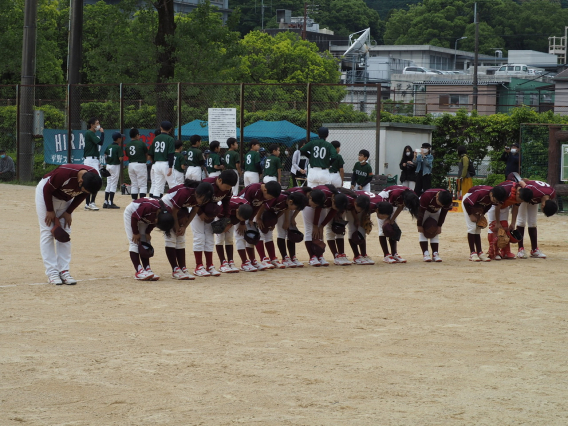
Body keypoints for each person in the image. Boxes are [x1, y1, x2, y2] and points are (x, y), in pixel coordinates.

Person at [36, 164, 103, 284]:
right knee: (47, 231)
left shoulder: (93, 177)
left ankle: (64, 271)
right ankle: (52, 272)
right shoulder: (64, 174)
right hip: (46, 194)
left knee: (65, 232)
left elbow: (83, 194)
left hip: (66, 199)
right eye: (84, 188)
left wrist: (68, 211)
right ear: (80, 180)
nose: (84, 192)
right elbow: (47, 189)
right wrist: (49, 210)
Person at [161, 180, 214, 279]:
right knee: (171, 238)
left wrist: (184, 227)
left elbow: (194, 211)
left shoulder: (200, 198)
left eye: (206, 201)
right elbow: (174, 211)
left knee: (181, 239)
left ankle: (182, 267)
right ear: (197, 194)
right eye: (203, 199)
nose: (204, 202)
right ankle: (175, 269)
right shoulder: (184, 192)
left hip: (180, 208)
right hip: (167, 206)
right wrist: (177, 227)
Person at [191, 170, 238, 277]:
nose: (227, 189)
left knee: (209, 238)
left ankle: (209, 265)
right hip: (196, 211)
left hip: (210, 213)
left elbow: (226, 204)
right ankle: (198, 266)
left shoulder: (227, 190)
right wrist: (200, 212)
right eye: (226, 187)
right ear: (220, 180)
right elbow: (195, 198)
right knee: (199, 237)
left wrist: (226, 220)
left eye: (230, 187)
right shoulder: (208, 183)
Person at [123, 197, 175, 281]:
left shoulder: (166, 212)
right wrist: (135, 233)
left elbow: (154, 223)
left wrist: (147, 232)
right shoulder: (148, 207)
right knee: (135, 242)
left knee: (145, 241)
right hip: (132, 214)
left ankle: (147, 269)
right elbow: (134, 217)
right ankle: (139, 271)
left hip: (145, 217)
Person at [236, 181, 282, 270]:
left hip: (248, 214)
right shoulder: (254, 189)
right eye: (271, 196)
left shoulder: (265, 194)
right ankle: (244, 262)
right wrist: (242, 222)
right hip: (240, 213)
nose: (270, 198)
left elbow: (257, 206)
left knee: (251, 236)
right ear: (265, 190)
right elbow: (244, 206)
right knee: (241, 236)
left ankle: (252, 261)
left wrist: (251, 219)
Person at [486, 179, 533, 260]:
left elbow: (515, 207)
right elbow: (497, 207)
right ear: (518, 194)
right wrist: (497, 222)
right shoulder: (507, 191)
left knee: (505, 227)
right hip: (494, 205)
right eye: (521, 200)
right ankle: (494, 251)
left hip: (504, 206)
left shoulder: (521, 193)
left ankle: (506, 251)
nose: (520, 202)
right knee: (494, 228)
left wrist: (513, 223)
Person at [376, 185, 420, 263]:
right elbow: (388, 207)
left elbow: (400, 206)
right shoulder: (396, 194)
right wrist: (388, 220)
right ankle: (386, 255)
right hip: (383, 202)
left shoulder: (411, 195)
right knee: (384, 228)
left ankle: (394, 254)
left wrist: (392, 220)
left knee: (392, 227)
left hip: (392, 203)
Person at [462, 185, 507, 262]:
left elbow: (488, 205)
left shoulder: (493, 197)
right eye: (495, 200)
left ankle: (479, 252)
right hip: (469, 202)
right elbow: (466, 202)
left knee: (478, 228)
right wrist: (471, 215)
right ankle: (472, 253)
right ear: (492, 194)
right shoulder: (481, 193)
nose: (496, 202)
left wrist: (482, 214)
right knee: (472, 227)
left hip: (478, 205)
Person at [516, 179, 558, 259]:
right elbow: (522, 183)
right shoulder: (535, 192)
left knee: (533, 222)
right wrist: (525, 181)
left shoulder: (552, 194)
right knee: (521, 221)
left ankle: (534, 250)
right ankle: (520, 249)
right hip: (524, 193)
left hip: (535, 198)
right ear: (542, 205)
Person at [215, 197, 253, 273]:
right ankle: (223, 263)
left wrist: (237, 223)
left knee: (229, 239)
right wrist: (224, 226)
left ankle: (230, 261)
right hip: (220, 215)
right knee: (220, 239)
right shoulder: (226, 207)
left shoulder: (247, 206)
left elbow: (242, 217)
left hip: (231, 216)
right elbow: (219, 215)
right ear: (237, 211)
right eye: (240, 219)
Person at [416, 188, 453, 262]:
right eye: (440, 203)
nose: (440, 205)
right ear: (437, 196)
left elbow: (443, 213)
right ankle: (425, 253)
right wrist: (419, 224)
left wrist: (439, 225)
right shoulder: (426, 196)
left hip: (436, 212)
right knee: (424, 230)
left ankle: (435, 253)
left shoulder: (447, 199)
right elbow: (421, 212)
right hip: (425, 210)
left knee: (434, 229)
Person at [148, 121, 176, 198]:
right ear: (170, 129)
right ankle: (176, 204)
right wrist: (170, 167)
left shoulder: (156, 138)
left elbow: (151, 153)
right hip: (166, 164)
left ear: (161, 128)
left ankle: (155, 206)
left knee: (158, 186)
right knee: (173, 185)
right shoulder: (170, 139)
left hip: (157, 164)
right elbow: (171, 154)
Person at [83, 117, 104, 210]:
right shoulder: (89, 132)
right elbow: (101, 142)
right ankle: (90, 203)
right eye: (96, 123)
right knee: (95, 181)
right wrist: (102, 132)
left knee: (92, 182)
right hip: (90, 160)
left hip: (93, 160)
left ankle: (89, 203)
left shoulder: (92, 134)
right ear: (92, 125)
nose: (98, 125)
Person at [103, 132, 124, 209]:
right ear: (118, 139)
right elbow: (120, 158)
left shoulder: (109, 146)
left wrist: (108, 162)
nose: (121, 139)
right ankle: (111, 202)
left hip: (108, 165)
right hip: (115, 166)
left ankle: (105, 202)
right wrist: (120, 159)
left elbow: (105, 155)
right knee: (114, 184)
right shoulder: (118, 147)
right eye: (120, 138)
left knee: (109, 183)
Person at [126, 128, 148, 200]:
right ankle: (142, 202)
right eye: (139, 134)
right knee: (142, 185)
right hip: (140, 164)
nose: (139, 136)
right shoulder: (141, 143)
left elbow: (127, 155)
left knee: (134, 185)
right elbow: (146, 154)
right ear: (136, 135)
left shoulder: (128, 145)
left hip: (131, 164)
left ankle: (134, 202)